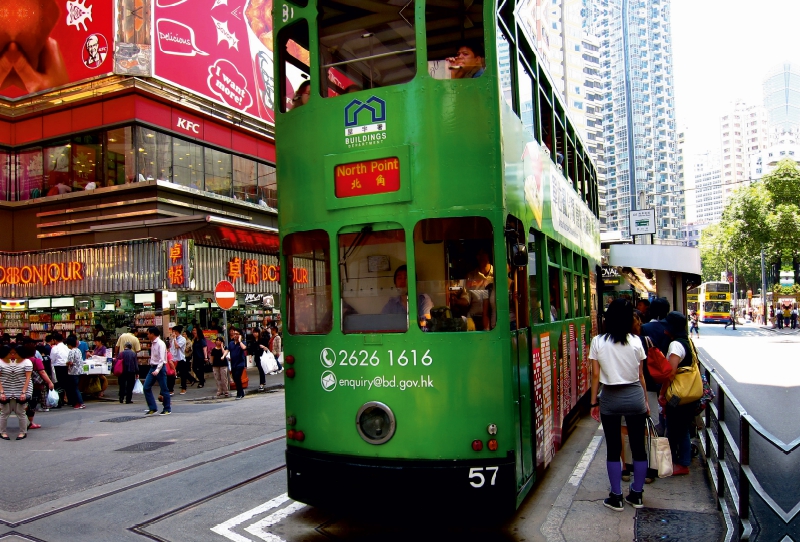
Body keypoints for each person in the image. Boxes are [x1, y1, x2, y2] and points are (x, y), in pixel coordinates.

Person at [589, 299, 649, 511]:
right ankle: (637, 494)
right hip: (635, 396)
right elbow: (641, 376)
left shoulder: (598, 341)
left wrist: (593, 402)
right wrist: (646, 402)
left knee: (614, 448)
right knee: (639, 447)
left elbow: (596, 375)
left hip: (610, 399)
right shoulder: (636, 342)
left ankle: (616, 497)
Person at [658, 312, 699, 476]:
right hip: (690, 394)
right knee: (682, 428)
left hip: (678, 395)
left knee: (676, 428)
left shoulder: (675, 345)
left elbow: (670, 373)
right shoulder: (687, 341)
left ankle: (682, 463)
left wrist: (662, 393)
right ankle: (682, 461)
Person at [450, 249, 494, 329]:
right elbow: (466, 299)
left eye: (483, 253)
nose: (481, 257)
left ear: (489, 256)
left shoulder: (497, 274)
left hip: (492, 318)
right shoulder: (470, 277)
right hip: (473, 318)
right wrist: (457, 301)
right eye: (479, 255)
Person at [0, 344, 33, 440]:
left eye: (15, 353)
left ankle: (23, 432)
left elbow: (28, 378)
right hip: (5, 389)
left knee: (20, 411)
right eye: (11, 353)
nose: (13, 355)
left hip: (23, 388)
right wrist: (2, 392)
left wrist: (23, 392)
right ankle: (2, 432)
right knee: (4, 411)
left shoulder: (27, 362)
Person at [22, 339, 53, 430]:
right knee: (33, 404)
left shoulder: (22, 361)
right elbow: (42, 372)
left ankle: (24, 421)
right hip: (36, 385)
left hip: (23, 386)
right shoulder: (36, 361)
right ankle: (29, 422)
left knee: (24, 404)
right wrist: (50, 382)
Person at [143, 327, 171, 416]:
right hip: (152, 367)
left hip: (160, 367)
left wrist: (158, 370)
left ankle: (167, 408)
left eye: (148, 333)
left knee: (164, 389)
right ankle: (152, 408)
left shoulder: (160, 344)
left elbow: (162, 359)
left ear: (152, 334)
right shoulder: (153, 343)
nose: (147, 335)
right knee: (146, 387)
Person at [65, 336, 85, 409]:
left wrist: (66, 363)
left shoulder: (71, 351)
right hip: (79, 370)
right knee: (76, 387)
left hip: (73, 371)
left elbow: (70, 362)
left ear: (69, 344)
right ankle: (80, 402)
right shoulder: (78, 350)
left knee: (75, 388)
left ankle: (80, 402)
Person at [50, 333, 69, 406]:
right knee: (65, 384)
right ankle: (65, 399)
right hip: (66, 367)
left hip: (58, 367)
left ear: (54, 340)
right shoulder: (66, 347)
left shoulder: (55, 348)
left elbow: (52, 359)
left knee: (58, 384)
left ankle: (59, 401)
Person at [228, 328, 247, 399]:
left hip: (240, 363)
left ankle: (239, 393)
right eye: (234, 334)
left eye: (237, 334)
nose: (235, 335)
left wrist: (239, 341)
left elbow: (244, 348)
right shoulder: (231, 343)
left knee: (237, 377)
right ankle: (241, 392)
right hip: (233, 363)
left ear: (240, 335)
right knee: (236, 379)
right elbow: (228, 350)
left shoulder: (242, 343)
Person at [170, 325, 189, 395]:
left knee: (183, 375)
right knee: (172, 374)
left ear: (177, 332)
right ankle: (171, 389)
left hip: (180, 359)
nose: (173, 333)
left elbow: (177, 346)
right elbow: (172, 348)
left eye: (174, 332)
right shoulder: (173, 339)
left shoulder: (182, 339)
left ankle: (183, 388)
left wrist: (174, 339)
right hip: (174, 359)